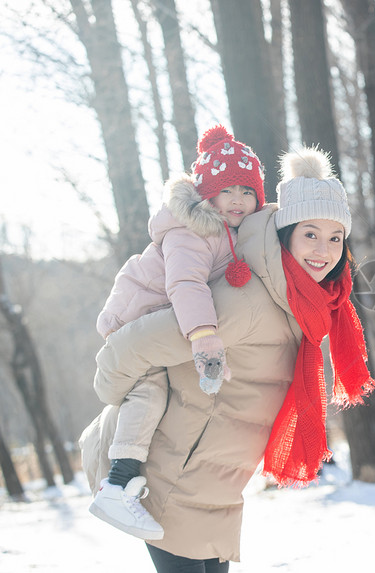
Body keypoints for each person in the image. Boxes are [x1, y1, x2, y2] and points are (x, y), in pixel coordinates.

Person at [80, 145, 375, 570]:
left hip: (214, 490)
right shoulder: (250, 299)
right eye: (310, 233)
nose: (323, 250)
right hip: (168, 480)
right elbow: (130, 348)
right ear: (285, 233)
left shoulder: (304, 306)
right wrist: (111, 388)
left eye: (335, 238)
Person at [89, 125, 266, 540]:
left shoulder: (227, 230)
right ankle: (118, 482)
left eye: (247, 190)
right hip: (135, 316)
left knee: (161, 392)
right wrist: (204, 337)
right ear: (207, 195)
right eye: (228, 190)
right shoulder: (193, 229)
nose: (238, 199)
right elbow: (186, 284)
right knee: (149, 392)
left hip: (162, 315)